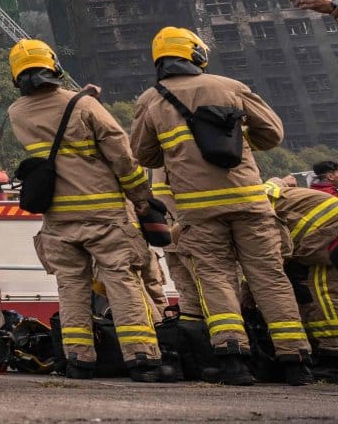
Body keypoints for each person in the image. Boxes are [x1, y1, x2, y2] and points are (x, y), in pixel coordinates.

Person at [129, 27, 310, 386]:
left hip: (198, 209)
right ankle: (295, 361)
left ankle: (233, 361)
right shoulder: (230, 86)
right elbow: (272, 134)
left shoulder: (151, 100)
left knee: (216, 279)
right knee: (269, 277)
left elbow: (143, 154)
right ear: (196, 53)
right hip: (249, 202)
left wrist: (178, 152)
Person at [6, 38, 174, 383]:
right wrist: (140, 196)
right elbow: (122, 156)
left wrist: (81, 99)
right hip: (104, 216)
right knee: (122, 282)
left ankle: (79, 360)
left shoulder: (17, 113)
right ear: (53, 65)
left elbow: (55, 122)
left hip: (57, 221)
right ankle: (142, 357)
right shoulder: (82, 106)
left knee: (71, 288)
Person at [262, 177, 338, 377]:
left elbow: (270, 256)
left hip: (328, 237)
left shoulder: (259, 206)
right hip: (323, 236)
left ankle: (333, 356)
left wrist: (247, 290)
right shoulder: (272, 193)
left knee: (324, 292)